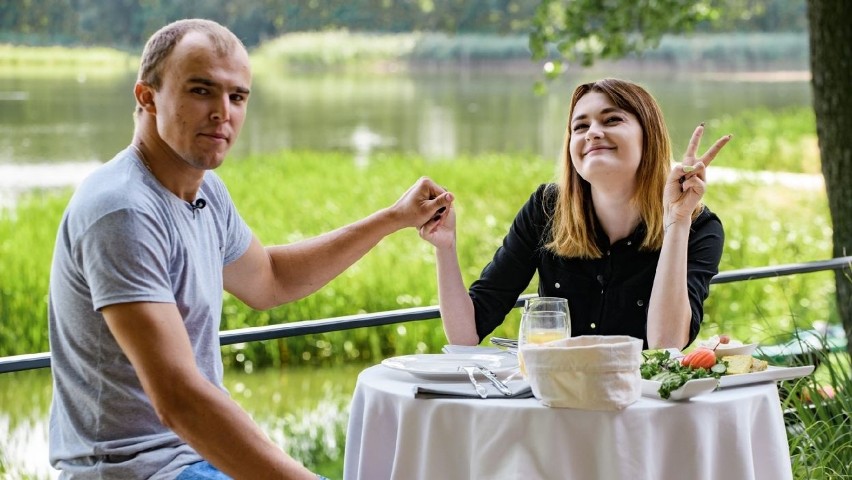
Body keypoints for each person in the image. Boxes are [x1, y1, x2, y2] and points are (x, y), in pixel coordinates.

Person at [47, 19, 452, 480]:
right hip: (138, 471)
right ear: (147, 96)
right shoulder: (122, 211)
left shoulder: (205, 192)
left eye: (237, 97)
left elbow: (270, 280)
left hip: (193, 459)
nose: (223, 112)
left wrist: (392, 218)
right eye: (202, 91)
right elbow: (178, 399)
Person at [419, 78, 731, 351]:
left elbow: (666, 346)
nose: (592, 133)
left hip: (642, 409)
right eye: (580, 127)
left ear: (648, 136)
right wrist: (445, 248)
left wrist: (677, 222)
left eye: (611, 120)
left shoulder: (699, 227)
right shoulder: (545, 208)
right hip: (558, 402)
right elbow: (465, 335)